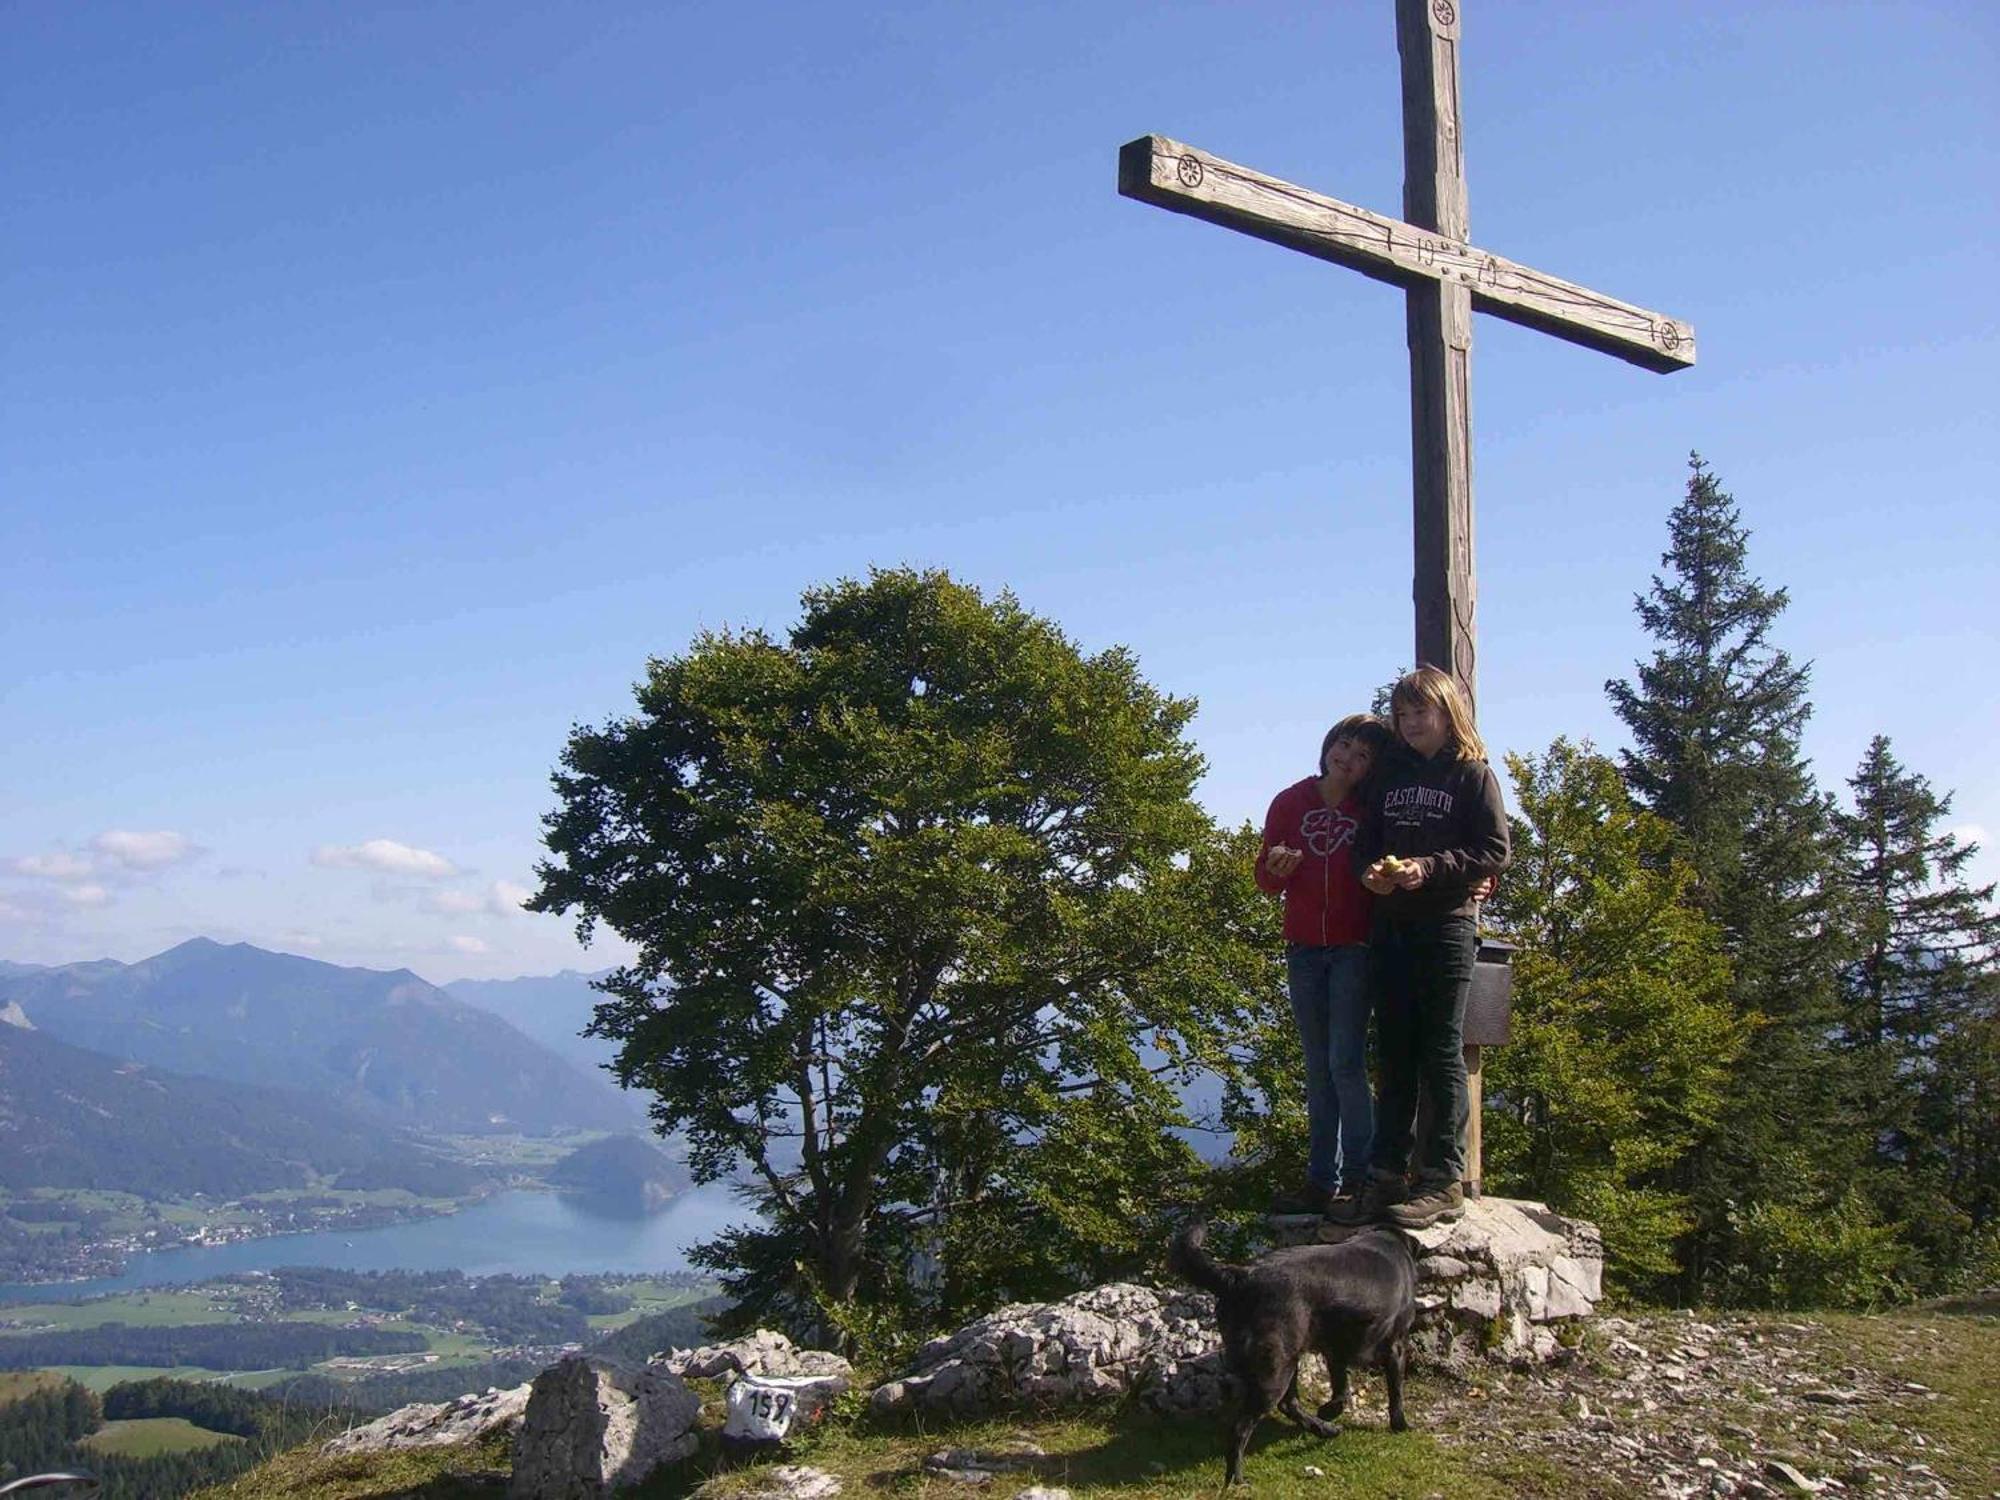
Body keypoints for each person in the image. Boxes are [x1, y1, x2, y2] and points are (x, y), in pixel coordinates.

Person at [1328, 666, 1510, 1231]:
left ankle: (1442, 1178)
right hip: (1391, 925)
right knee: (1396, 1053)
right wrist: (1371, 877)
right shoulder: (1389, 776)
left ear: (1448, 714)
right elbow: (1367, 845)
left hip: (1445, 926)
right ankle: (1386, 1175)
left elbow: (1492, 850)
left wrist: (1427, 869)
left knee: (1439, 1050)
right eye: (1402, 715)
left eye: (1420, 714)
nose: (1409, 725)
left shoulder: (1472, 776)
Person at [1254, 712, 1395, 1216]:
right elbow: (1266, 879)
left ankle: (1358, 1177)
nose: (1348, 758)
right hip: (1304, 950)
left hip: (1355, 947)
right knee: (1318, 1068)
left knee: (1345, 1063)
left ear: (1370, 770)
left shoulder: (1370, 810)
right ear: (1328, 743)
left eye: (1362, 757)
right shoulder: (1290, 801)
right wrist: (1275, 868)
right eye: (1344, 744)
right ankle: (1321, 1180)